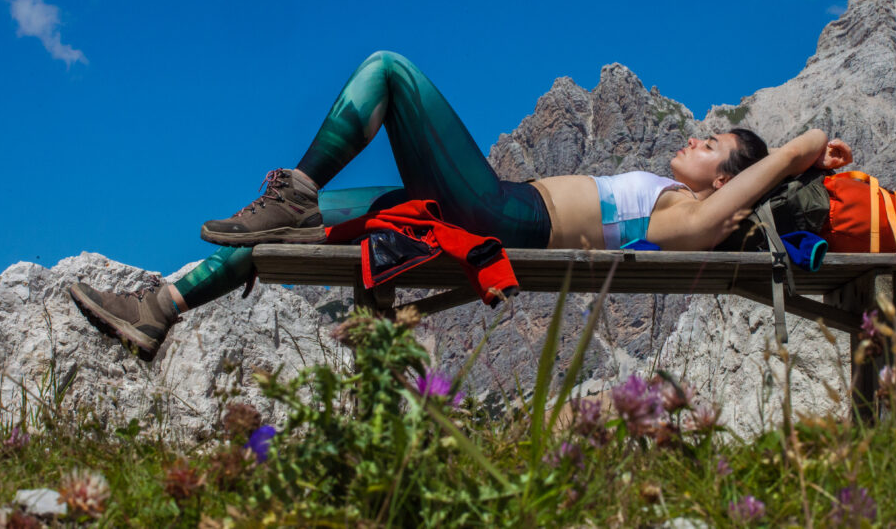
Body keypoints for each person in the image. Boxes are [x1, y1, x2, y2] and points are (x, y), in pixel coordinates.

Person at [69, 51, 853, 360]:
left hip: (505, 214)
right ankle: (159, 307)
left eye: (716, 146)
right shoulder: (676, 192)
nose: (699, 139)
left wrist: (802, 147)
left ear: (727, 180)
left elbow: (722, 214)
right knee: (311, 224)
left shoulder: (686, 214)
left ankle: (293, 191)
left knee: (390, 71)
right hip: (491, 207)